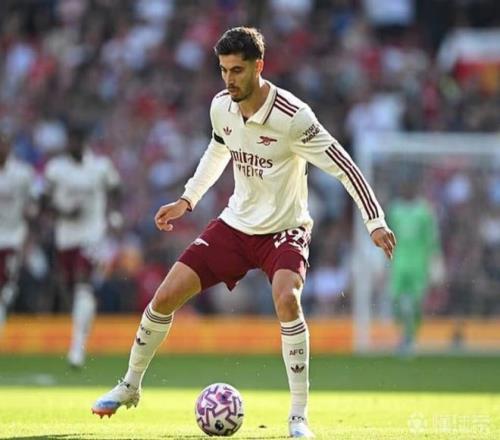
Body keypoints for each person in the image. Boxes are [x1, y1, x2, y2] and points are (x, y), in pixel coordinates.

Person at [91, 27, 396, 438]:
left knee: (287, 299)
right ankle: (130, 385)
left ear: (259, 66)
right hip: (236, 224)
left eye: (236, 70)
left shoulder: (294, 117)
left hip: (285, 229)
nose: (229, 79)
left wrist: (375, 221)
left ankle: (298, 417)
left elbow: (345, 166)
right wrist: (187, 200)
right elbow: (218, 149)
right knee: (164, 297)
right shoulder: (222, 106)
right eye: (223, 70)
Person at [42, 126, 122, 368]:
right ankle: (82, 330)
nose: (73, 145)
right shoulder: (56, 169)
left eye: (77, 141)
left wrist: (114, 214)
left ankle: (77, 347)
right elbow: (44, 200)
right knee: (71, 289)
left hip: (92, 235)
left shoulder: (100, 167)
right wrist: (63, 211)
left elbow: (116, 190)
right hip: (65, 237)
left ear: (84, 142)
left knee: (82, 281)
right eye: (71, 141)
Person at [387, 181, 441, 356]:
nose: (406, 188)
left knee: (416, 303)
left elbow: (432, 240)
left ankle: (410, 338)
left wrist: (435, 263)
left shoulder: (424, 211)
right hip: (398, 263)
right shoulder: (394, 210)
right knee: (396, 300)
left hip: (419, 264)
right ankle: (403, 336)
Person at [0, 127, 36, 332]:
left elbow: (34, 202)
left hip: (13, 237)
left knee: (7, 284)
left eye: (4, 144)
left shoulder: (22, 174)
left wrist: (31, 215)